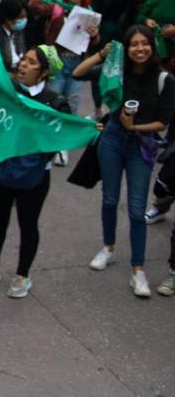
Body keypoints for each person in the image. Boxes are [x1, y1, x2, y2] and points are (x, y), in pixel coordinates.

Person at [74, 26, 174, 298]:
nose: (140, 49)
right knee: (109, 198)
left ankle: (138, 270)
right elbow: (77, 73)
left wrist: (134, 127)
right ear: (127, 49)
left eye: (145, 44)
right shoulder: (116, 72)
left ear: (153, 47)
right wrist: (101, 55)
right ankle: (108, 247)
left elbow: (162, 123)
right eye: (134, 45)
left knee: (136, 208)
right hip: (112, 140)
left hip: (141, 147)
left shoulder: (164, 79)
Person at [0, 46, 68, 300]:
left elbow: (61, 137)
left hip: (34, 177)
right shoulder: (7, 92)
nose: (23, 64)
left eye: (31, 62)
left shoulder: (55, 102)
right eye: (23, 59)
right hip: (2, 170)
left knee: (28, 224)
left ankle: (22, 275)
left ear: (45, 71)